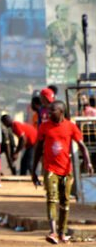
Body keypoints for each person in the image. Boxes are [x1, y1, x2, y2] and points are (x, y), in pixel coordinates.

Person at [31, 100, 93, 244]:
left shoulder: (70, 127)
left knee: (65, 202)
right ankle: (52, 232)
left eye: (52, 110)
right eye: (49, 110)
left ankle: (62, 232)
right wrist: (34, 170)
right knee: (51, 198)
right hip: (50, 169)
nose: (49, 113)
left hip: (66, 170)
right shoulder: (44, 127)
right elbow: (38, 148)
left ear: (61, 112)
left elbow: (82, 146)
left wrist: (88, 162)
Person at [46, 4, 83, 83]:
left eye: (66, 10)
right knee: (57, 82)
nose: (65, 12)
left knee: (72, 81)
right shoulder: (51, 27)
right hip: (57, 58)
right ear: (57, 12)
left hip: (71, 58)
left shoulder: (75, 26)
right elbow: (47, 46)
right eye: (62, 10)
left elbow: (83, 44)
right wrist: (47, 60)